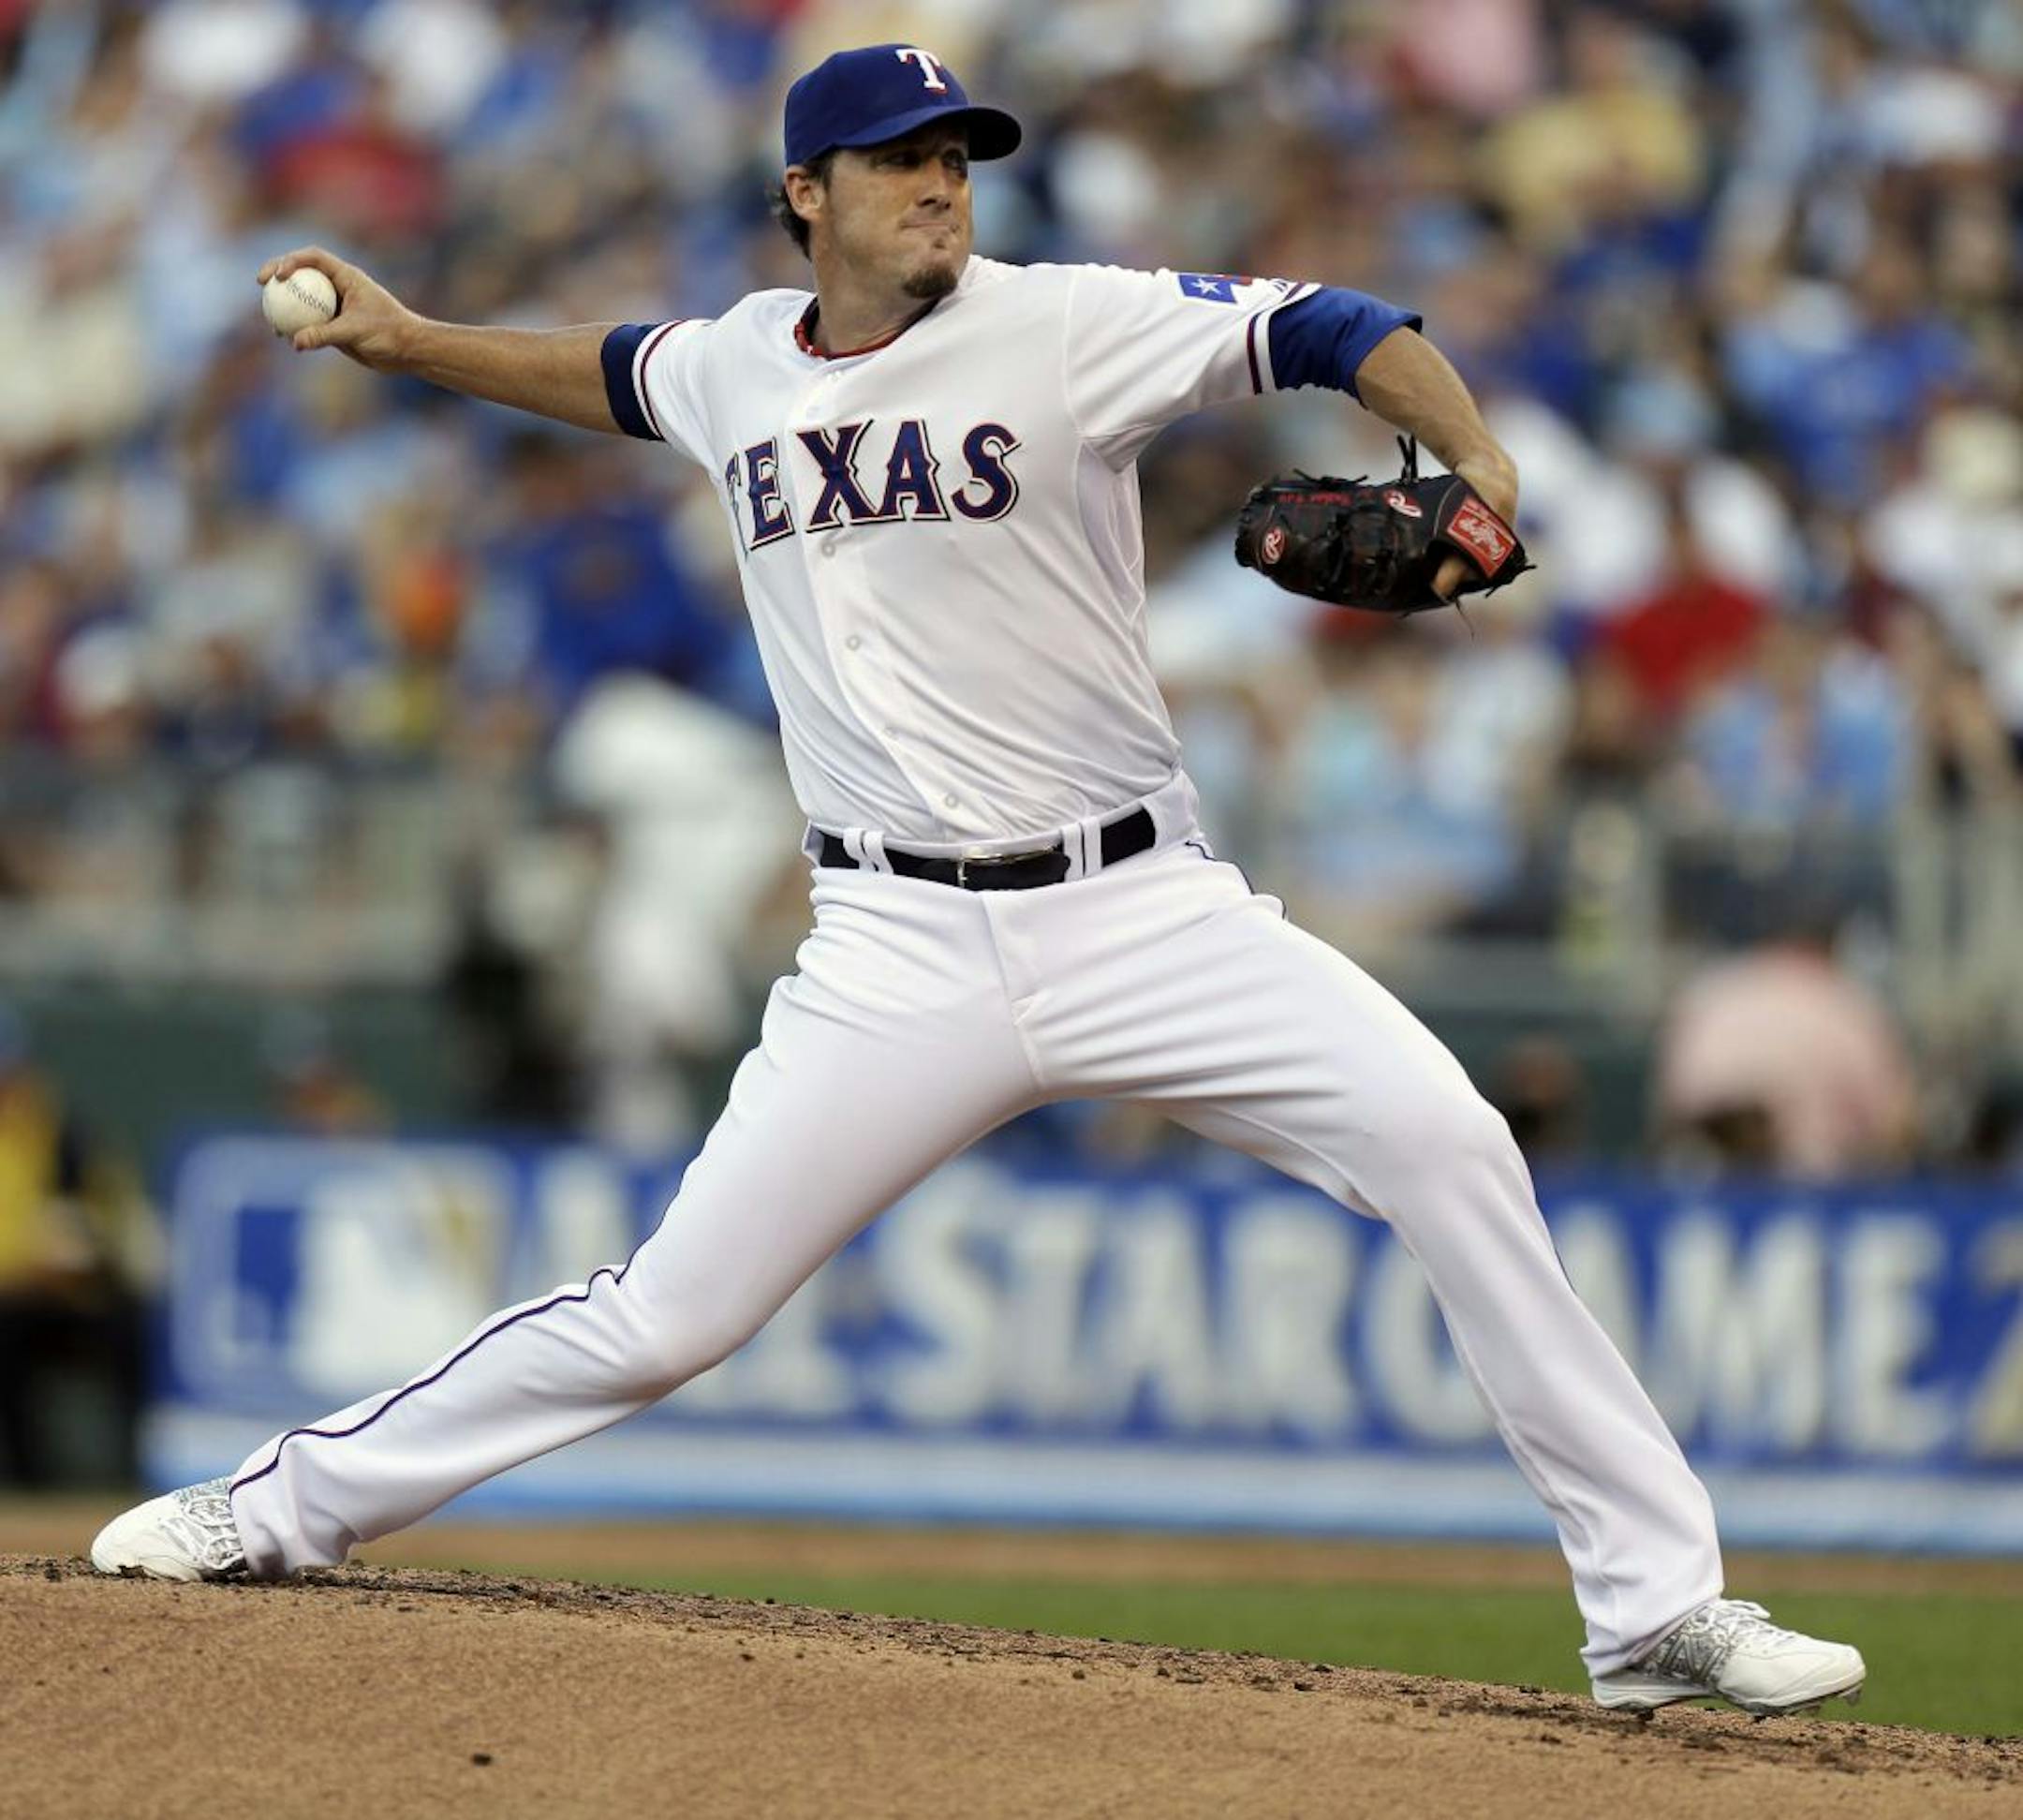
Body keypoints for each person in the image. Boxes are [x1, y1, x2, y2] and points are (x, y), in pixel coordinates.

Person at [93, 44, 1864, 1718]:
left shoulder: (1065, 326)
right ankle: (279, 1507)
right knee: (669, 1315)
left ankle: (1655, 1611)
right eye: (906, 164)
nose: (945, 189)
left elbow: (1333, 324)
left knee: (1453, 1149)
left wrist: (1472, 462)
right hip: (896, 943)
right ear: (808, 193)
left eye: (958, 161)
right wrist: (410, 344)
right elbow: (616, 372)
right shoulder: (733, 366)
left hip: (1144, 909)